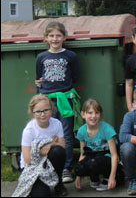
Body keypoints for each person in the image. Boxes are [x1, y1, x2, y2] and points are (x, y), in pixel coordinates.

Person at [35, 21, 81, 184]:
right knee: (45, 133)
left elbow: (74, 77)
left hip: (65, 99)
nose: (55, 39)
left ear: (64, 37)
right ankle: (47, 167)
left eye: (58, 36)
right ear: (46, 38)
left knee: (66, 135)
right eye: (51, 36)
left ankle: (66, 168)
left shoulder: (70, 56)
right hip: (46, 100)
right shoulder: (41, 57)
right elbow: (39, 78)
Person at [16, 94, 68, 196]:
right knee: (41, 195)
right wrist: (41, 149)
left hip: (48, 160)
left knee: (58, 151)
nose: (43, 114)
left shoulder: (57, 124)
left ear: (51, 109)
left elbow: (62, 146)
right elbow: (27, 158)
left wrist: (50, 144)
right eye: (38, 111)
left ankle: (58, 183)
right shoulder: (29, 130)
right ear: (32, 112)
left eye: (46, 110)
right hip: (33, 166)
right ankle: (39, 185)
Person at [74, 99, 123, 191]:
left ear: (100, 114)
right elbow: (83, 154)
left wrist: (112, 177)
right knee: (78, 168)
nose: (93, 116)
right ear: (83, 114)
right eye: (90, 113)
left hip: (106, 154)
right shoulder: (81, 131)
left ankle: (109, 177)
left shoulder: (107, 129)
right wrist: (78, 176)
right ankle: (94, 178)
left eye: (96, 113)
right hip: (93, 155)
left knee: (94, 162)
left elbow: (114, 155)